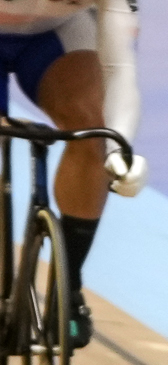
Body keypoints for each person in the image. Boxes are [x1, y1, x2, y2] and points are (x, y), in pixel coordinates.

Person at [0, 0, 148, 347]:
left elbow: (121, 70)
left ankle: (67, 286)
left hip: (55, 34)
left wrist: (118, 149)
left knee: (92, 130)